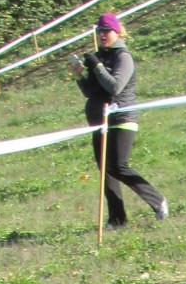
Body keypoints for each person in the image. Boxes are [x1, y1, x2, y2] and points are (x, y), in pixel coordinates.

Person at [70, 13, 168, 228]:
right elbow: (91, 92)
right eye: (99, 31)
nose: (102, 35)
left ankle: (158, 200)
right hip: (100, 120)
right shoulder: (100, 56)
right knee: (106, 169)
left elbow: (115, 86)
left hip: (122, 118)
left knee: (118, 165)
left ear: (116, 31)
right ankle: (117, 219)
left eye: (106, 30)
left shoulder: (123, 57)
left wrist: (97, 67)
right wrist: (80, 75)